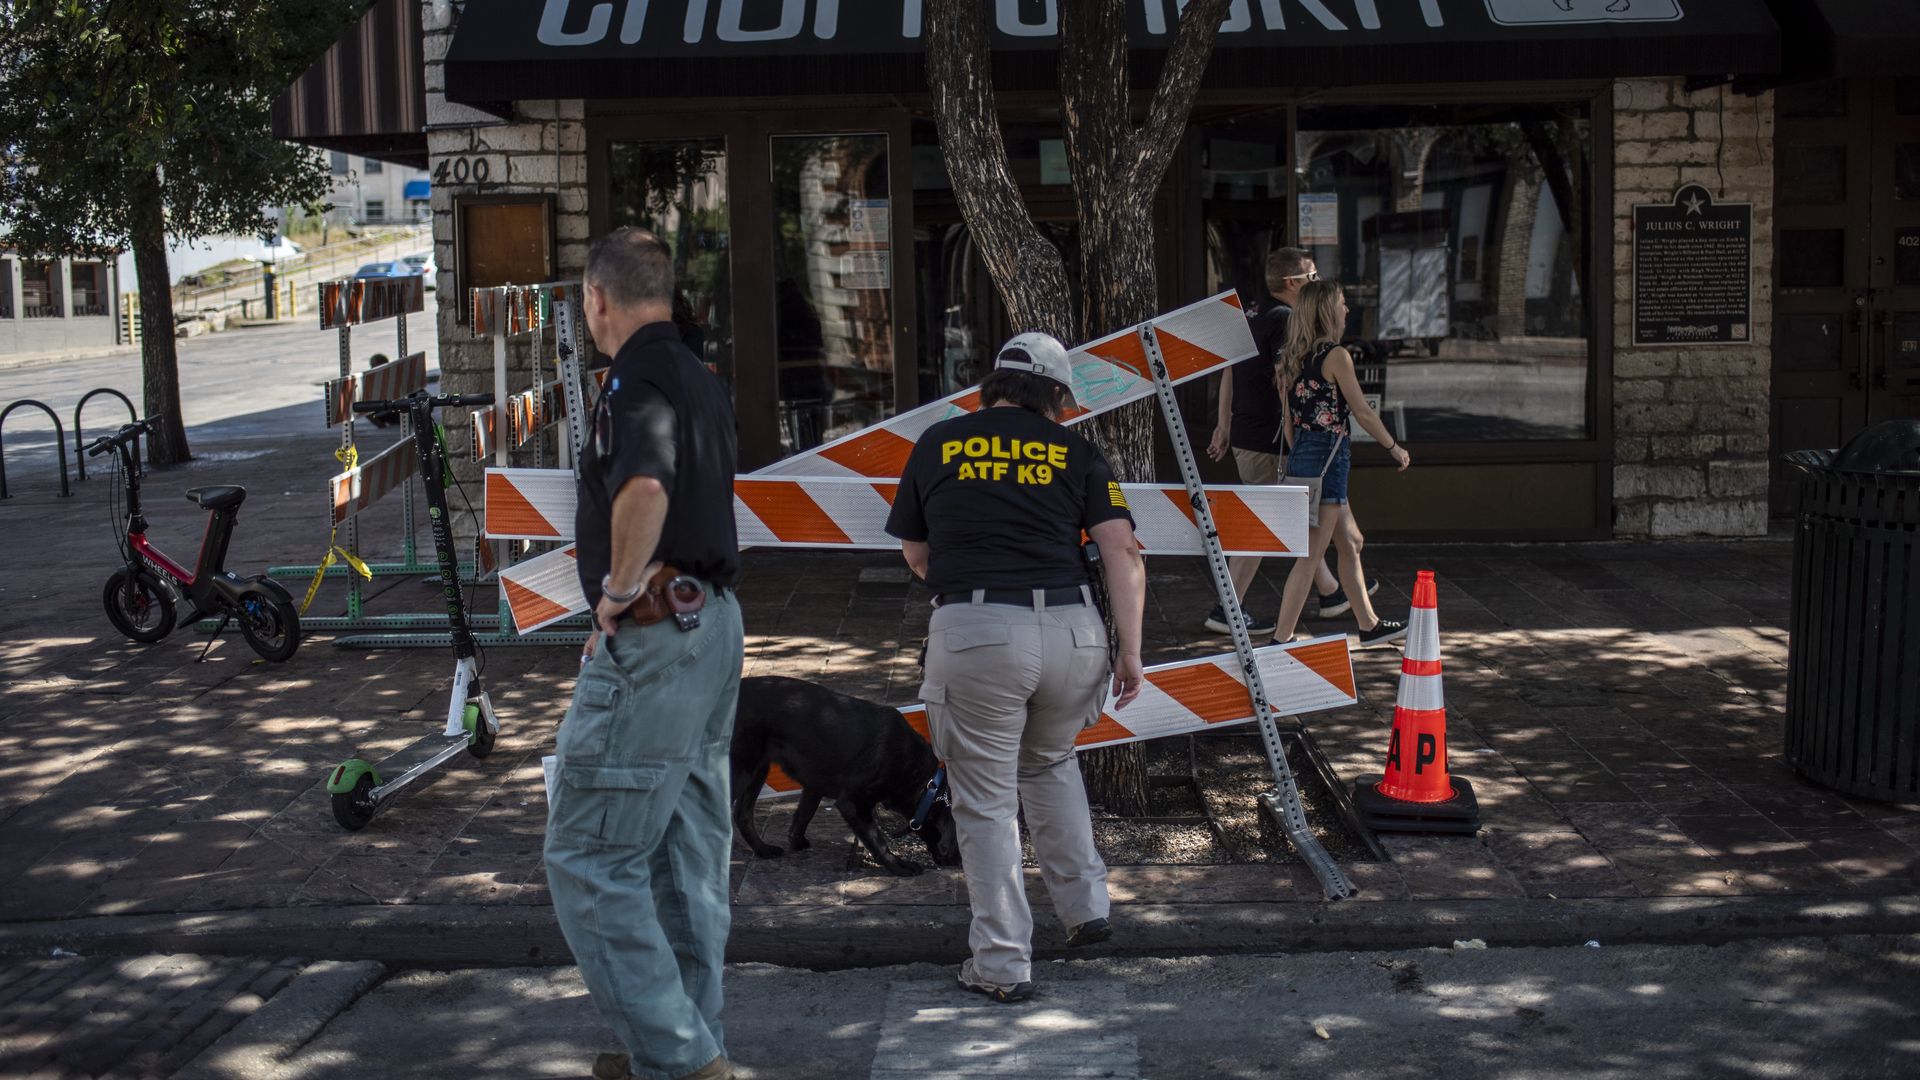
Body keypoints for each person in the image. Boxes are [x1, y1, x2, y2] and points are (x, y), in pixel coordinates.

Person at [885, 332, 1148, 1005]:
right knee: (1050, 760)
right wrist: (1129, 650)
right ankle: (1086, 908)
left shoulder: (941, 443)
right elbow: (1122, 552)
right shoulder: (1076, 450)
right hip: (1074, 632)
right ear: (1056, 397)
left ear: (992, 387)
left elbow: (916, 554)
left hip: (978, 630)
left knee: (985, 801)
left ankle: (1001, 963)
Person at [545, 228, 744, 1080]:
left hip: (660, 632)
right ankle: (681, 1044)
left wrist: (617, 594)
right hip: (713, 628)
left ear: (597, 299)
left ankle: (682, 1058)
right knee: (683, 859)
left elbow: (648, 484)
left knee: (588, 854)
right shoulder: (700, 376)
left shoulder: (634, 376)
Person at [1205, 249, 1376, 635]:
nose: (1317, 283)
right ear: (1293, 284)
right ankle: (1227, 608)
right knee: (1272, 523)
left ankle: (1332, 590)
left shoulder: (1253, 314)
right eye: (1312, 276)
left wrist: (1224, 423)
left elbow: (1230, 370)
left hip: (1251, 435)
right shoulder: (1284, 321)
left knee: (1299, 521)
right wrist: (1295, 433)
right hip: (1271, 440)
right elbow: (1287, 381)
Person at [1267, 280, 1409, 650]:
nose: (1347, 310)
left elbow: (1288, 425)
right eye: (1342, 304)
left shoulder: (1290, 359)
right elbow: (1361, 410)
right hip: (1328, 458)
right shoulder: (1336, 356)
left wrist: (1304, 460)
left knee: (1350, 542)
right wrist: (1393, 446)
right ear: (1327, 311)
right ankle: (1281, 638)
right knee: (1311, 557)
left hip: (1306, 455)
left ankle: (1369, 623)